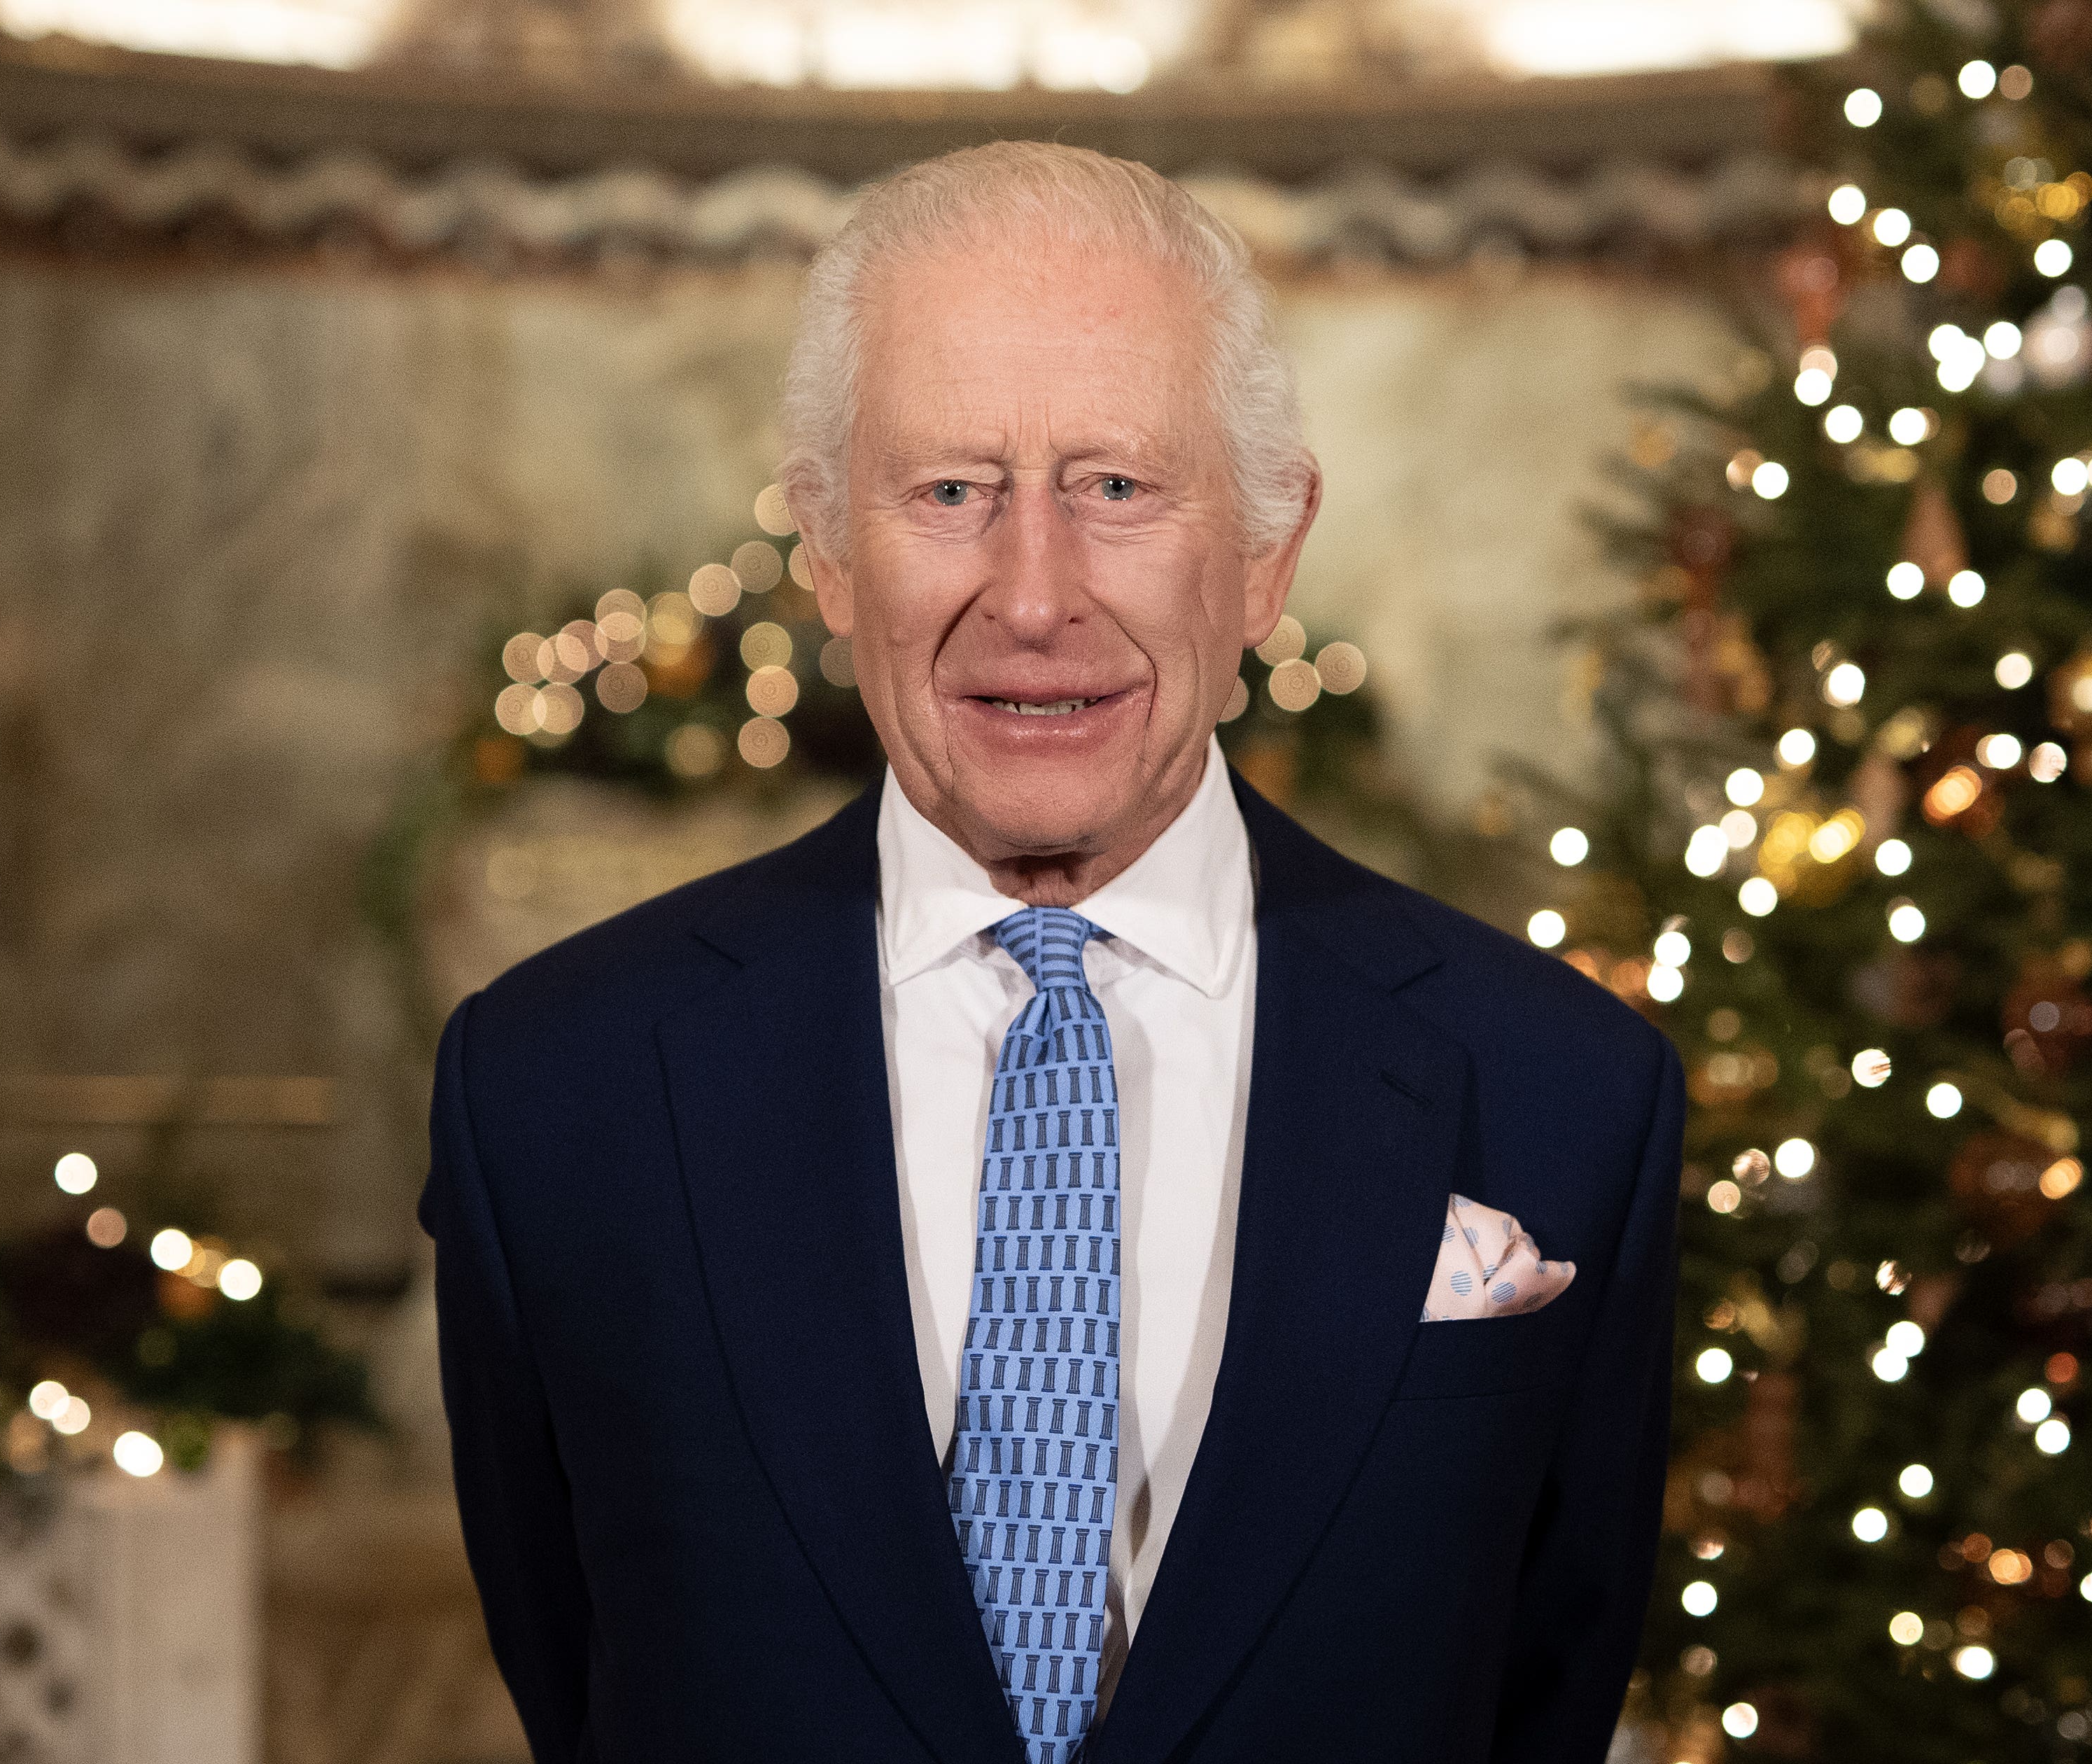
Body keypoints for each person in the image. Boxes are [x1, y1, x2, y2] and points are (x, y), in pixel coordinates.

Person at [421, 141, 1683, 1764]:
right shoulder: (553, 1095)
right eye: (950, 491)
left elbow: (1544, 1688)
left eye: (1118, 488)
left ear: (1267, 552)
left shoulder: (1567, 1096)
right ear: (825, 548)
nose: (1033, 596)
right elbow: (580, 1672)